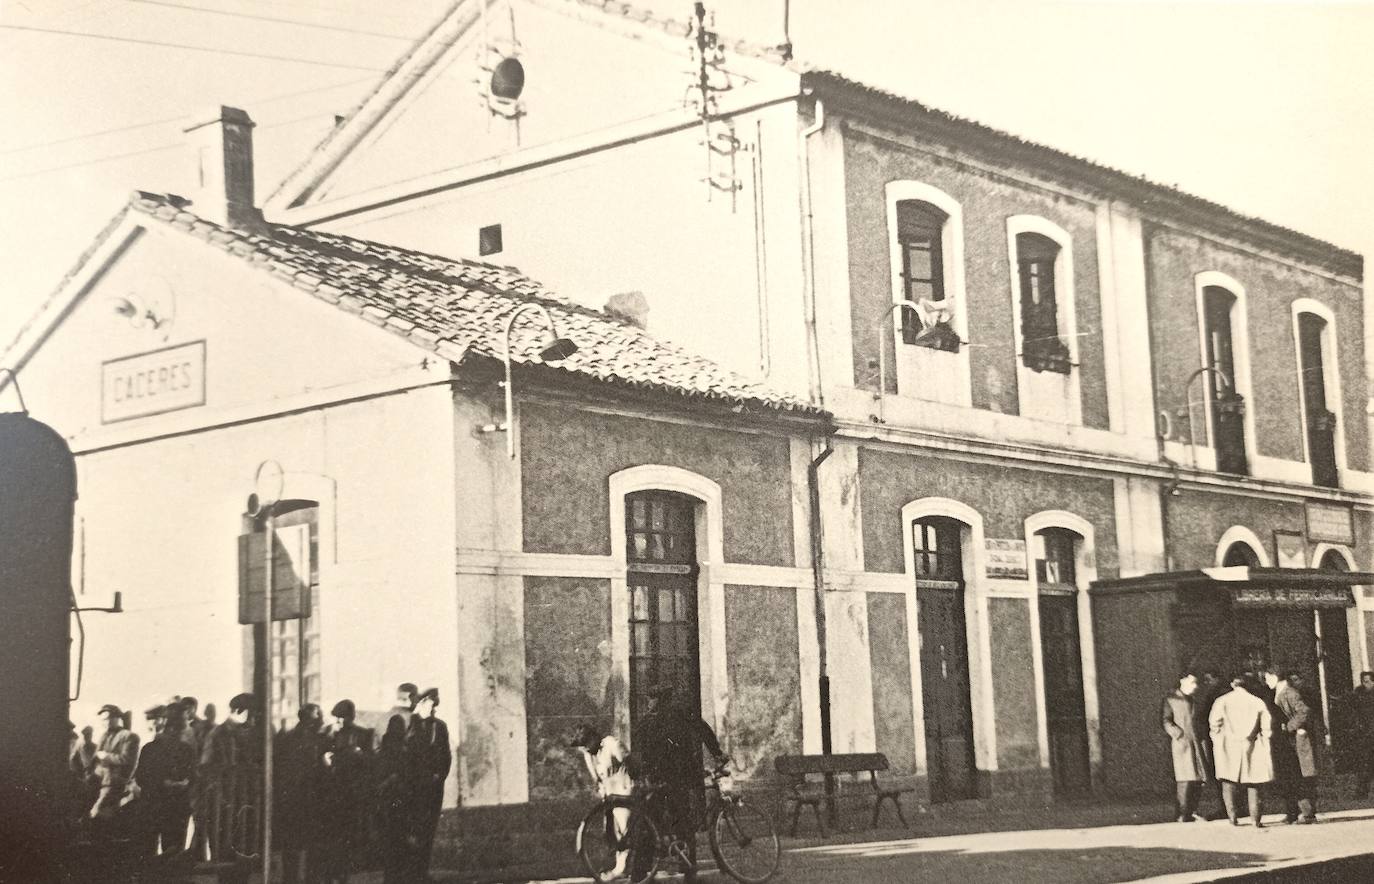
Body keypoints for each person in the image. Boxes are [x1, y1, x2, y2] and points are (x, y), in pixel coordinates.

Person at [633, 682, 726, 883]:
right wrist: (717, 753)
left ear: (660, 700)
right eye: (649, 698)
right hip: (676, 778)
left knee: (652, 825)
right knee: (682, 824)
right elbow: (703, 729)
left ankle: (640, 875)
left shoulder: (649, 720)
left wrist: (644, 774)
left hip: (660, 779)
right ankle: (688, 870)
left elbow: (639, 747)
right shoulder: (678, 714)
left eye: (652, 698)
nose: (649, 702)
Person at [571, 723, 636, 879]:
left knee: (625, 832)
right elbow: (598, 778)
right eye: (583, 747)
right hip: (610, 797)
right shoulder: (589, 754)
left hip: (624, 792)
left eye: (586, 744)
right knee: (613, 832)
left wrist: (634, 783)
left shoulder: (611, 744)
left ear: (594, 738)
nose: (585, 749)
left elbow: (630, 763)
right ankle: (622, 867)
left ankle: (622, 869)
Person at [1209, 673, 1273, 827]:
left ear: (1233, 685)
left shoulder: (1222, 701)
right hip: (1252, 745)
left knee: (1229, 782)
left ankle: (1232, 818)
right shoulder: (1257, 702)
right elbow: (1267, 727)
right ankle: (1255, 820)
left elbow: (1214, 723)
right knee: (1254, 783)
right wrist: (1263, 740)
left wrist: (1218, 739)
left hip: (1228, 746)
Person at [321, 699, 373, 884]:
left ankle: (343, 875)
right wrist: (325, 760)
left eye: (344, 718)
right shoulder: (327, 734)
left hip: (351, 794)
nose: (341, 722)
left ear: (352, 717)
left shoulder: (363, 735)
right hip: (330, 795)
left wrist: (360, 756)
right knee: (330, 838)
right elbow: (319, 758)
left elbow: (370, 763)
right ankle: (330, 875)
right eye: (337, 718)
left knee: (348, 837)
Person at [135, 703, 196, 856]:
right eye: (174, 729)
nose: (176, 733)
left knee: (172, 850)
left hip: (176, 806)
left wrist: (186, 783)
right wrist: (165, 783)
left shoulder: (186, 749)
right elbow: (142, 778)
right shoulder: (150, 749)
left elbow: (193, 775)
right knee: (153, 850)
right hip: (156, 805)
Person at [276, 703, 327, 884]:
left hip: (305, 797)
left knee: (305, 843)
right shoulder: (297, 739)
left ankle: (302, 879)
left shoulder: (312, 739)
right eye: (316, 716)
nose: (319, 719)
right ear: (306, 719)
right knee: (297, 843)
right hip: (298, 797)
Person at [404, 687, 451, 882]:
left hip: (433, 787)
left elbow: (446, 755)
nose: (433, 709)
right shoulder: (410, 726)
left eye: (434, 705)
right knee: (411, 829)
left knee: (428, 829)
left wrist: (439, 775)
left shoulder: (439, 727)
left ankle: (422, 872)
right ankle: (411, 872)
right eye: (429, 704)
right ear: (420, 704)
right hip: (412, 789)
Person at [1269, 669, 1322, 824]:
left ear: (1276, 677)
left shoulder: (1289, 692)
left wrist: (1290, 726)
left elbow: (1304, 711)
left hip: (1297, 741)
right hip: (1289, 742)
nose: (1266, 680)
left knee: (1301, 776)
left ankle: (1307, 813)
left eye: (1267, 677)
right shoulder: (1280, 692)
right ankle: (1293, 812)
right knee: (1291, 776)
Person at [1162, 672, 1209, 822]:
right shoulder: (1171, 699)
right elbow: (1166, 721)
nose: (1195, 687)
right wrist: (1178, 734)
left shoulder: (1194, 699)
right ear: (1182, 681)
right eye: (1192, 683)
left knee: (1199, 778)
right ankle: (1182, 813)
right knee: (1184, 780)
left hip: (1197, 742)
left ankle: (1192, 810)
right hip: (1182, 744)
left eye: (1196, 683)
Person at [375, 714, 412, 884]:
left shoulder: (385, 748)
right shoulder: (400, 748)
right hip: (397, 800)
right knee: (399, 843)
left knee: (391, 843)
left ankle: (391, 878)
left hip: (390, 802)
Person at [89, 703, 141, 822]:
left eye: (109, 719)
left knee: (97, 812)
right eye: (103, 720)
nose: (106, 722)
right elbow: (95, 759)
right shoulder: (103, 736)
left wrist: (107, 756)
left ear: (117, 718)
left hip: (114, 783)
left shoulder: (129, 736)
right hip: (98, 780)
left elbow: (127, 759)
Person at [1352, 671, 1374, 799]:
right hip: (1365, 734)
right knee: (1365, 763)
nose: (1366, 684)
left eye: (1369, 681)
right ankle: (1362, 791)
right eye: (1364, 682)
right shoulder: (1358, 694)